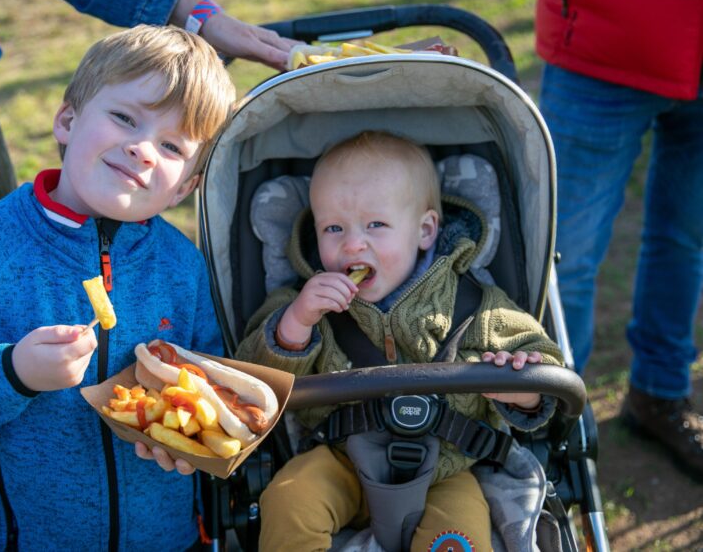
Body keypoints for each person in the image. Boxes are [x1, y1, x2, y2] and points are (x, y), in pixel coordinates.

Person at [0, 0, 295, 549]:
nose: (141, 149)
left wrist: (194, 441)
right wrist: (11, 374)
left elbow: (208, 387)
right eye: (123, 117)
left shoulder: (182, 266)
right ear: (67, 119)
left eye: (170, 145)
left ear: (186, 187)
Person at [235, 131, 564, 551]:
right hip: (340, 458)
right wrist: (296, 323)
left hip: (448, 465)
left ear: (425, 230)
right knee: (288, 500)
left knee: (459, 539)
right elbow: (254, 380)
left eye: (376, 224)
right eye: (333, 227)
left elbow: (544, 369)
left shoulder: (475, 305)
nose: (353, 243)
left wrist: (522, 391)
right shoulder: (304, 302)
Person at [535, 0, 703, 479]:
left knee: (686, 241)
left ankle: (659, 393)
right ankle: (552, 421)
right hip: (603, 41)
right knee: (562, 260)